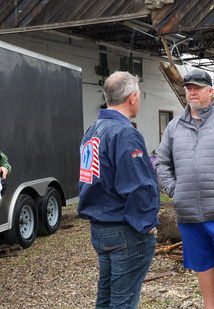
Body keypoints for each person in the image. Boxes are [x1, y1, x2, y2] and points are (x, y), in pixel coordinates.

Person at [155, 69, 214, 309]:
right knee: (203, 265)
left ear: (210, 91)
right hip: (188, 213)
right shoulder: (174, 127)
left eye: (198, 88)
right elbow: (161, 162)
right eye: (189, 88)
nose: (192, 92)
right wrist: (173, 190)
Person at [78, 71, 160, 309]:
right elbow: (139, 186)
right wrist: (146, 226)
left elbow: (89, 179)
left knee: (106, 298)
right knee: (123, 302)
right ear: (132, 97)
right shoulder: (124, 133)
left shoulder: (91, 132)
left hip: (101, 228)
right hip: (125, 229)